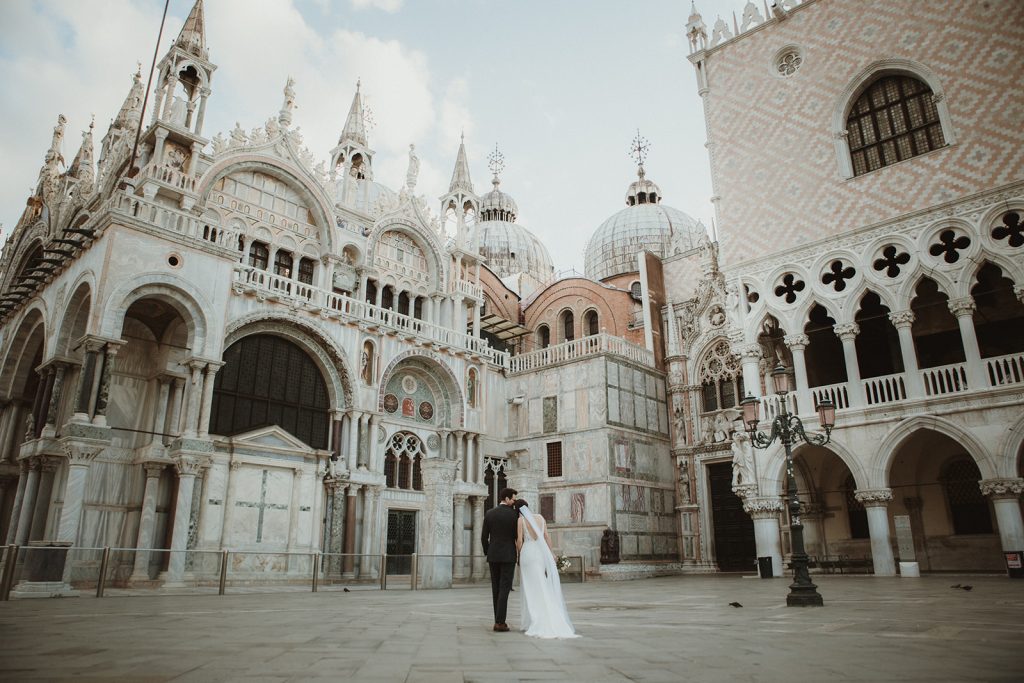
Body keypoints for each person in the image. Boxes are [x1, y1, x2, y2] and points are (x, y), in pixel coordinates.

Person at [514, 499, 579, 639]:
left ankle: (535, 618)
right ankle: (548, 613)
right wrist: (551, 553)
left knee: (530, 586)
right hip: (539, 553)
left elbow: (519, 541)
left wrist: (519, 553)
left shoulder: (521, 521)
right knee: (541, 582)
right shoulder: (541, 518)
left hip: (527, 553)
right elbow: (547, 537)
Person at [481, 487, 518, 632]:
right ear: (507, 498)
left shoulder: (490, 513)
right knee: (504, 589)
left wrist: (488, 551)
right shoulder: (515, 515)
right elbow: (517, 536)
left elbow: (484, 537)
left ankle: (498, 619)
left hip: (493, 555)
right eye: (513, 499)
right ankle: (500, 622)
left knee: (495, 588)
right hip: (508, 555)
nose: (514, 502)